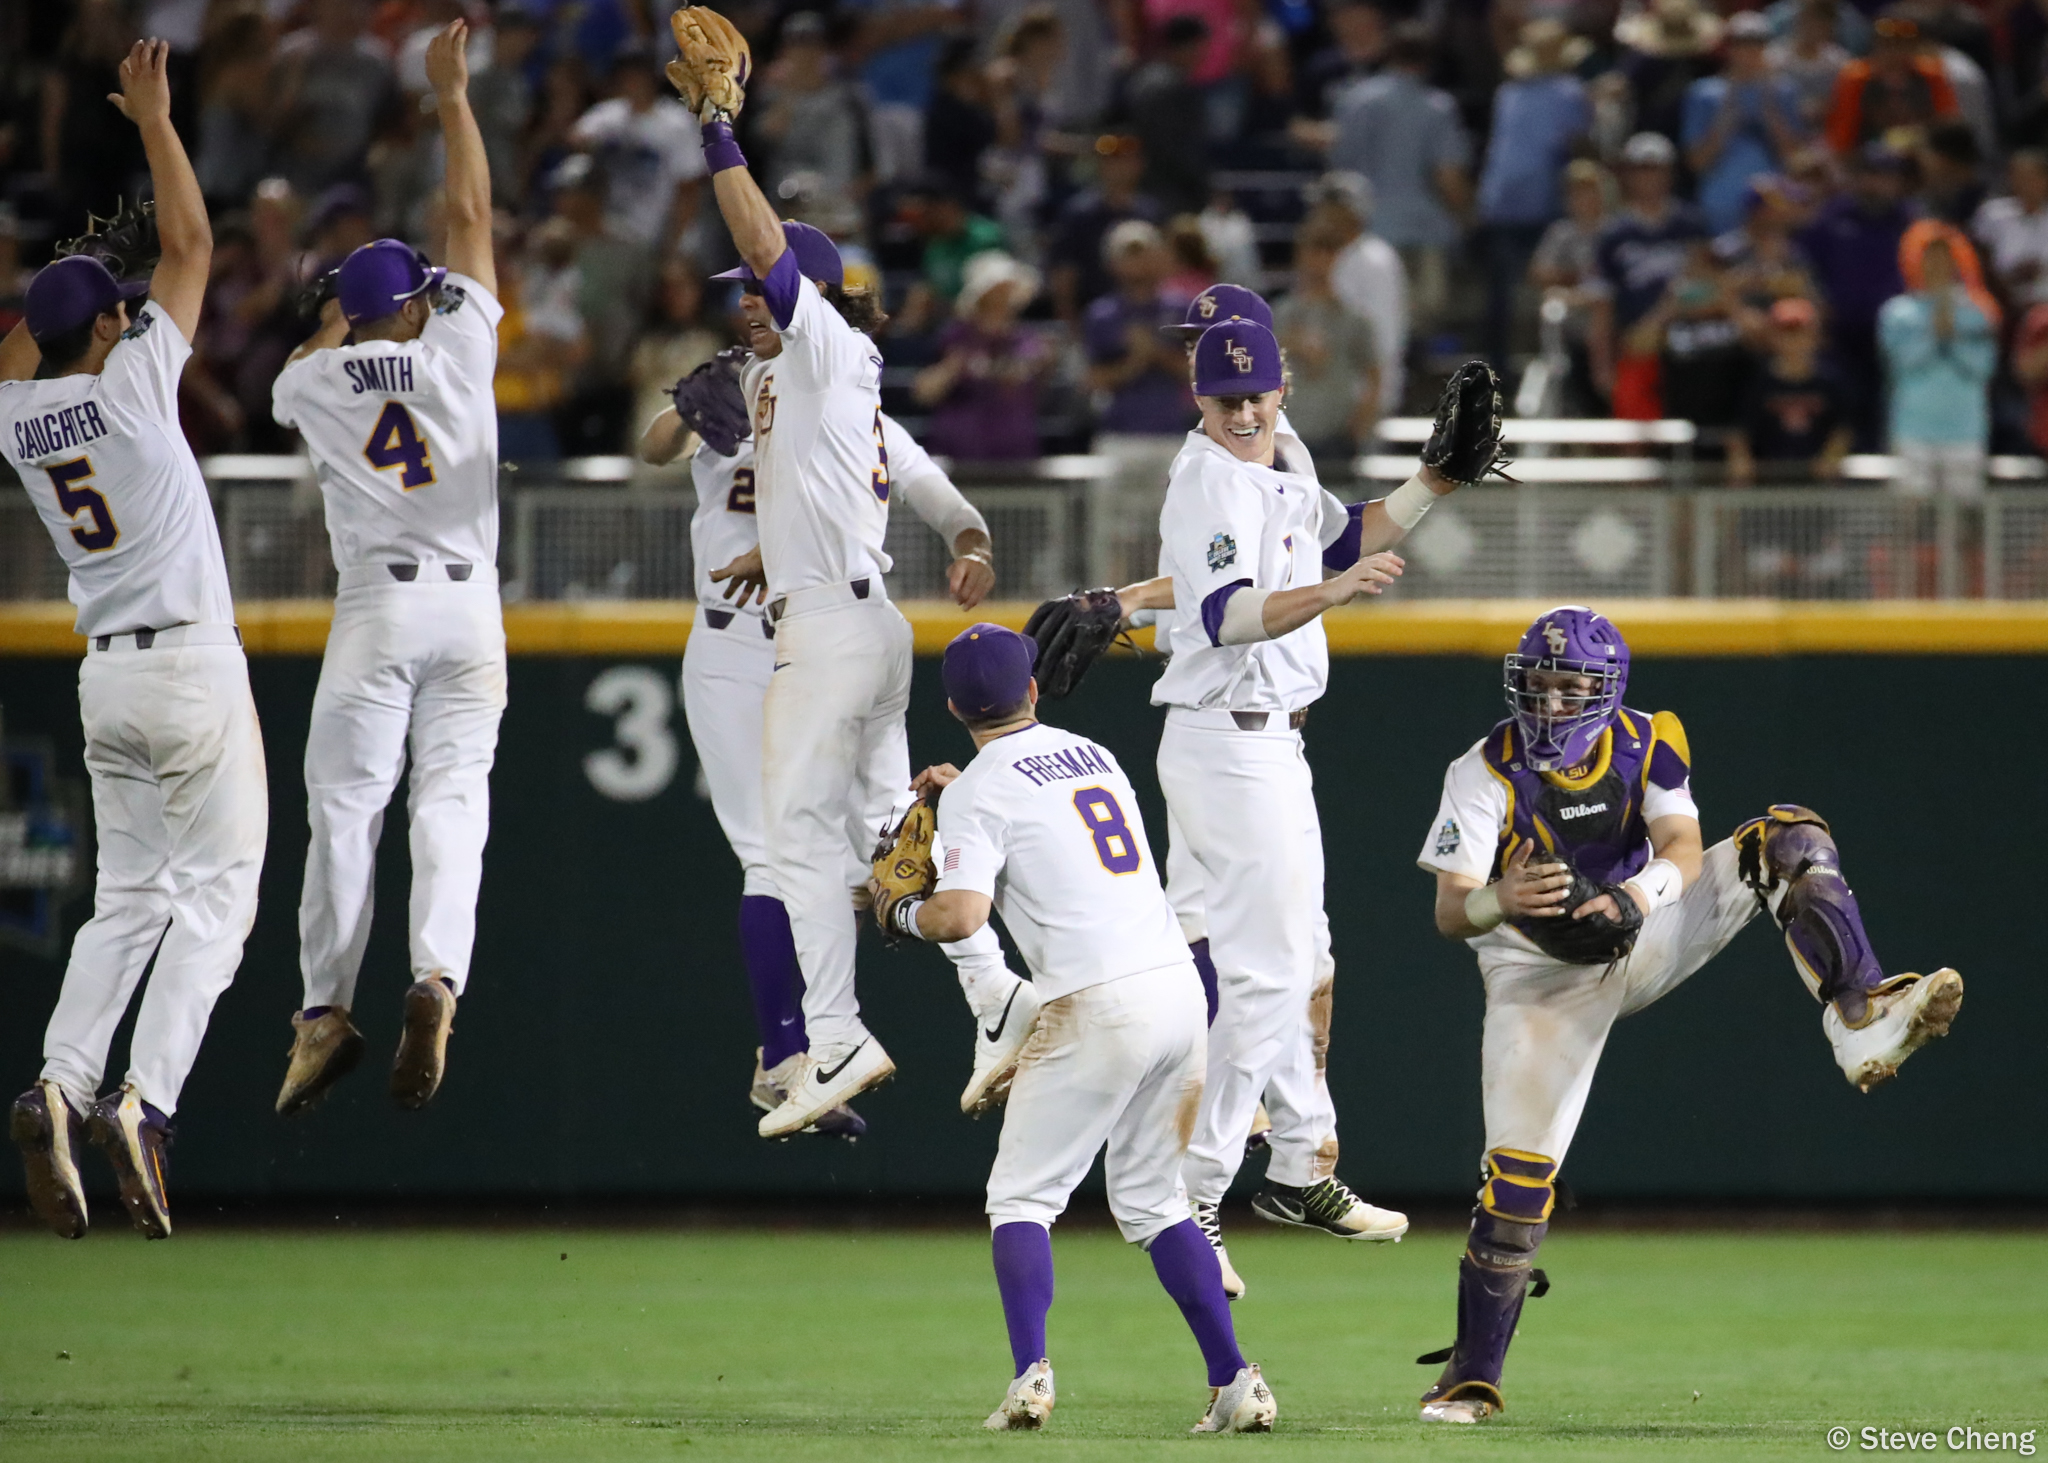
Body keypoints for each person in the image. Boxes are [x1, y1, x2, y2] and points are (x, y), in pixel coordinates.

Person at [1413, 606, 1963, 1424]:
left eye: (1570, 687)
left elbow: (1680, 843)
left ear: (1606, 691)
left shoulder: (1649, 737)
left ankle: (1860, 1016)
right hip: (1537, 971)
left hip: (1643, 928)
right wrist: (1503, 895)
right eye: (1539, 684)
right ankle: (1472, 1376)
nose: (1552, 703)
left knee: (1785, 840)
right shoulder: (1482, 768)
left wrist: (1635, 898)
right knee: (1519, 1177)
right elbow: (1451, 911)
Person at [874, 623, 1278, 1435]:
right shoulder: (1093, 753)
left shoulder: (979, 793)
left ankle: (1030, 1377)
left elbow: (961, 914)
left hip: (1096, 1000)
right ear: (1031, 689)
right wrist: (964, 797)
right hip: (1175, 991)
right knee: (1154, 1200)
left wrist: (901, 913)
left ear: (952, 708)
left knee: (1021, 1197)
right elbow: (1036, 811)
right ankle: (1236, 1380)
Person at [3, 40, 265, 1241]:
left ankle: (58, 1082)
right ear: (109, 326)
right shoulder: (132, 387)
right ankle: (142, 1101)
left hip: (104, 679)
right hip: (191, 669)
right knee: (217, 899)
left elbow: (20, 349)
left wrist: (67, 290)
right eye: (117, 307)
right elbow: (193, 247)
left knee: (125, 901)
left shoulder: (20, 414)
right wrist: (158, 124)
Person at [1145, 321, 1464, 1292]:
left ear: (1281, 388)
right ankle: (1193, 1194)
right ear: (1198, 399)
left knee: (1304, 959)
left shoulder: (1281, 452)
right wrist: (1334, 592)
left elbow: (1342, 534)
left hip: (1269, 742)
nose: (1243, 411)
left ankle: (1298, 1162)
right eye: (1225, 397)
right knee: (1268, 971)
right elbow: (1227, 615)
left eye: (1256, 393)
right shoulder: (1205, 479)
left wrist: (1432, 482)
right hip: (1225, 739)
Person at [637, 354, 1032, 1131]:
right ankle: (798, 1053)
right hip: (743, 644)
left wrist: (974, 548)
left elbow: (950, 505)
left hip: (818, 634)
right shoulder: (748, 404)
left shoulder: (851, 418)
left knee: (877, 842)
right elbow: (654, 448)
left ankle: (942, 1008)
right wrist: (686, 409)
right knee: (801, 849)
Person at [668, 11, 917, 1136]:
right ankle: (986, 999)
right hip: (814, 621)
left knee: (806, 853)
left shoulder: (820, 350)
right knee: (868, 855)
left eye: (758, 289)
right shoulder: (771, 378)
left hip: (820, 631)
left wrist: (721, 135)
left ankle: (819, 1045)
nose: (745, 300)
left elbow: (772, 256)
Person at [269, 21, 505, 1118]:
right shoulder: (458, 349)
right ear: (414, 307)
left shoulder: (309, 383)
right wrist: (451, 98)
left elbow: (313, 348)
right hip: (469, 609)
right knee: (450, 803)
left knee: (344, 813)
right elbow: (470, 218)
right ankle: (436, 978)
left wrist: (345, 318)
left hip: (375, 609)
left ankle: (323, 1009)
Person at [1325, 23, 1472, 333]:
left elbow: (1338, 168)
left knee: (1371, 316)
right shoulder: (1437, 107)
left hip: (1364, 229)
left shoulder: (1355, 100)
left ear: (1388, 54)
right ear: (1429, 60)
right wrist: (1466, 217)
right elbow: (1448, 175)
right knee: (1419, 319)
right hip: (1422, 230)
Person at [1476, 20, 1593, 367]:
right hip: (1544, 198)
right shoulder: (1569, 92)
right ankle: (1554, 358)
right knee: (1552, 278)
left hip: (1499, 198)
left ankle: (1495, 366)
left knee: (1501, 292)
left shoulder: (1507, 93)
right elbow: (1578, 145)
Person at [1591, 132, 1710, 417]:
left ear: (1669, 173)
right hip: (1635, 346)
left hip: (1691, 342)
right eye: (1641, 169)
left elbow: (1705, 283)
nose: (1649, 178)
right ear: (1628, 175)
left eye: (1656, 169)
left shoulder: (1691, 224)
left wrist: (1661, 317)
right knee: (1634, 424)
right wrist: (1602, 364)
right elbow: (1602, 303)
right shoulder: (1613, 234)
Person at [1879, 222, 1997, 499]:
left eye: (1945, 257)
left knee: (1963, 511)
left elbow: (1982, 367)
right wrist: (1935, 332)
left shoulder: (1978, 312)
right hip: (1913, 427)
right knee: (1912, 509)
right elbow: (1902, 363)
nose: (1938, 265)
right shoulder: (1897, 313)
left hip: (1965, 429)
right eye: (1930, 257)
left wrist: (1952, 336)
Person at [913, 250, 1055, 461]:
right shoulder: (954, 338)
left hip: (1015, 455)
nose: (1003, 299)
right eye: (996, 291)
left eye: (1007, 291)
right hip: (961, 455)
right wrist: (953, 367)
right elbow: (923, 394)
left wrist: (1043, 365)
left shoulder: (1025, 341)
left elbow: (1027, 383)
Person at [1682, 11, 1808, 235]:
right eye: (1741, 44)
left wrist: (1772, 116)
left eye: (1756, 44)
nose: (1749, 52)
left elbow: (1796, 161)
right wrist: (1725, 121)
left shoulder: (1784, 92)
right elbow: (1696, 163)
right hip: (1720, 205)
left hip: (1772, 208)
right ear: (1729, 48)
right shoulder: (1703, 93)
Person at [1271, 219, 1380, 463]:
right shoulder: (1280, 315)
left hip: (1336, 436)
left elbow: (1374, 374)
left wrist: (1361, 423)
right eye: (1314, 251)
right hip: (1288, 433)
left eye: (1329, 252)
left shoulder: (1354, 318)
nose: (1320, 262)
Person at [1726, 296, 1851, 484]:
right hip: (1768, 482)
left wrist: (1832, 455)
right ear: (1773, 337)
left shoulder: (1831, 382)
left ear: (1815, 336)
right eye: (1786, 333)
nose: (1793, 341)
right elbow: (1739, 429)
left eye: (1800, 333)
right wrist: (1741, 460)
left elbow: (1844, 426)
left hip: (1817, 484)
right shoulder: (1757, 382)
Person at [1970, 150, 2048, 312]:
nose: (2026, 183)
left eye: (2033, 177)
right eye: (2020, 177)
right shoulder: (1992, 213)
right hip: (2005, 302)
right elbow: (1977, 258)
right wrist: (2007, 278)